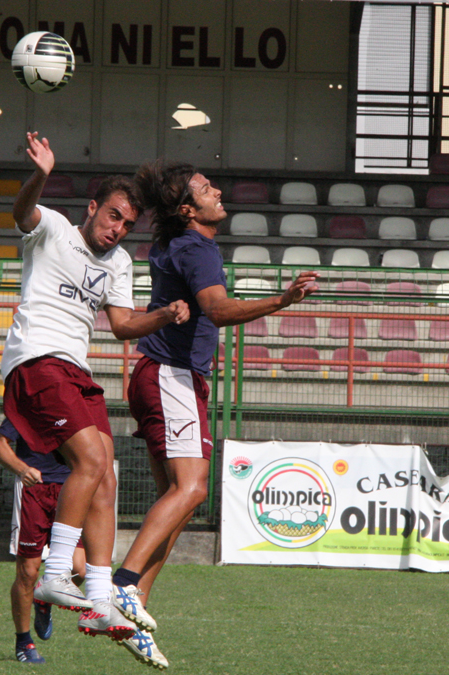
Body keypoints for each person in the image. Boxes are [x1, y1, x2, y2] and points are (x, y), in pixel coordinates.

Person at [109, 160, 320, 667]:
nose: (217, 191)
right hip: (171, 376)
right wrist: (282, 300)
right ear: (187, 209)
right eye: (205, 188)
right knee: (192, 490)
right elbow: (219, 310)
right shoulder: (196, 248)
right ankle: (121, 585)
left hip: (164, 377)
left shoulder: (180, 244)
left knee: (178, 502)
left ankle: (131, 611)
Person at [1, 133, 190, 646]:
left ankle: (101, 600)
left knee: (105, 471)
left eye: (127, 224)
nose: (117, 229)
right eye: (112, 216)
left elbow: (124, 326)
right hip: (37, 358)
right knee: (89, 459)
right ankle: (57, 572)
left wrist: (163, 315)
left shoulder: (120, 263)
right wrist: (40, 175)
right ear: (92, 208)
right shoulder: (54, 230)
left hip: (76, 369)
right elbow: (22, 212)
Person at [0, 417, 87, 664]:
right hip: (34, 490)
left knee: (80, 569)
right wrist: (22, 469)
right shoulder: (27, 404)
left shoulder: (78, 404)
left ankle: (43, 598)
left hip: (71, 489)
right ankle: (24, 642)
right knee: (27, 572)